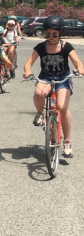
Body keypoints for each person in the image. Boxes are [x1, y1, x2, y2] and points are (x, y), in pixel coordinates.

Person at [23, 15, 84, 158]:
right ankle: (40, 113)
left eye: (54, 34)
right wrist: (27, 71)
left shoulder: (66, 46)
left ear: (60, 32)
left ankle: (67, 142)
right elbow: (28, 63)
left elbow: (77, 62)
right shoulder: (40, 47)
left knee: (62, 107)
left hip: (63, 79)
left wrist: (80, 69)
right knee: (38, 93)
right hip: (45, 78)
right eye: (48, 34)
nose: (51, 37)